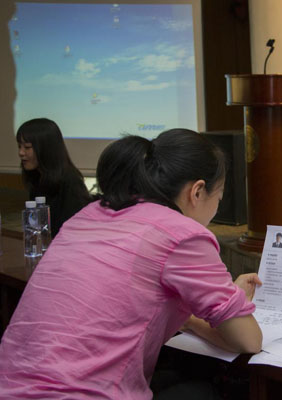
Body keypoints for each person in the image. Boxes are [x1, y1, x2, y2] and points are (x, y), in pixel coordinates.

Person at [0, 129, 263, 399]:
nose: (216, 208)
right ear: (197, 192)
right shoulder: (183, 233)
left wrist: (210, 308)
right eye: (218, 198)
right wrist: (229, 301)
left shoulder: (89, 213)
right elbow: (249, 340)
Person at [16, 118, 91, 237]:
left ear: (46, 149)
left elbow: (73, 231)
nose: (21, 152)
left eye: (27, 147)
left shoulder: (70, 181)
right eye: (19, 146)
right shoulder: (37, 178)